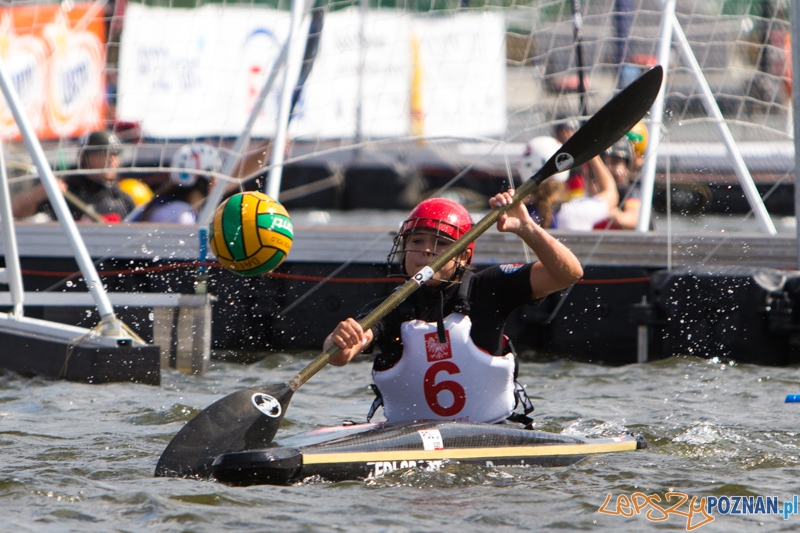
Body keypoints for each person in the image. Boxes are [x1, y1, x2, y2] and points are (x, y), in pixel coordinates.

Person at [323, 194, 584, 426]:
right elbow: (340, 355)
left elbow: (568, 273)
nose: (426, 250)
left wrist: (527, 229)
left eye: (441, 243)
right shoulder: (390, 307)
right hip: (406, 437)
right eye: (417, 240)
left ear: (464, 256)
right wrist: (340, 340)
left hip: (491, 430)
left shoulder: (489, 288)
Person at [12, 130, 134, 222]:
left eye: (115, 154)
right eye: (104, 154)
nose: (111, 159)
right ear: (86, 157)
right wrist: (38, 193)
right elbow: (14, 213)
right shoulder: (65, 193)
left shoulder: (123, 200)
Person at [130, 143, 221, 224]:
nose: (217, 180)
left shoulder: (164, 203)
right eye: (215, 175)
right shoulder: (180, 214)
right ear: (201, 181)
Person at [597, 137, 641, 230]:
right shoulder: (594, 191)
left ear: (626, 167)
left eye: (614, 162)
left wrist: (615, 216)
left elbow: (633, 218)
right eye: (604, 163)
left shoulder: (630, 192)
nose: (608, 168)